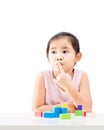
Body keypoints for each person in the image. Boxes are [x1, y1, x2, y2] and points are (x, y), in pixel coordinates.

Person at [32, 32, 92, 113]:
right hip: (50, 124)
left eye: (65, 51)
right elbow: (36, 110)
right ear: (47, 57)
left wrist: (68, 86)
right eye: (53, 52)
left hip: (75, 124)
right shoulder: (43, 76)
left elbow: (87, 109)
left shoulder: (81, 76)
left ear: (77, 57)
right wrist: (67, 107)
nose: (59, 57)